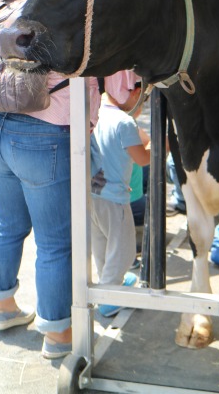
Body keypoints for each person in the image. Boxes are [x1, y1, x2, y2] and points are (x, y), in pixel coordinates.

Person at [0, 0, 101, 359]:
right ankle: (58, 334)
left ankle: (2, 307)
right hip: (43, 133)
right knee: (55, 241)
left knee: (6, 222)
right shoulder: (79, 6)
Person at [90, 71, 151, 317]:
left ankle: (109, 284)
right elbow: (143, 159)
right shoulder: (125, 122)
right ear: (134, 93)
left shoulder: (95, 111)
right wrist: (163, 145)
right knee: (123, 250)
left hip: (92, 194)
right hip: (115, 198)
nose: (140, 106)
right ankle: (109, 299)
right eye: (142, 100)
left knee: (102, 245)